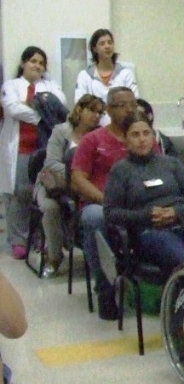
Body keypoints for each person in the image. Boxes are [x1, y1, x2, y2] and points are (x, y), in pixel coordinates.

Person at [71, 87, 156, 319]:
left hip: (140, 203)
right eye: (121, 105)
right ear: (108, 110)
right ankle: (105, 290)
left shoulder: (143, 136)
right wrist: (107, 201)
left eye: (132, 104)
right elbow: (78, 179)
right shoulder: (93, 140)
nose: (129, 109)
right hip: (101, 203)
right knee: (95, 217)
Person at [104, 112, 184, 278]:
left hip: (183, 223)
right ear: (125, 140)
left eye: (146, 133)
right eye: (135, 135)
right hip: (149, 232)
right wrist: (147, 215)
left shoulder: (172, 163)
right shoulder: (120, 170)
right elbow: (111, 213)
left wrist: (177, 212)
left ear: (153, 136)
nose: (142, 139)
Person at [0, 47, 66, 260]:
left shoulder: (51, 86)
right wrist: (41, 115)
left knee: (41, 195)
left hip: (44, 149)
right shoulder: (11, 85)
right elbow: (12, 109)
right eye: (32, 61)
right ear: (23, 63)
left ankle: (39, 237)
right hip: (19, 148)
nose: (37, 66)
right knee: (19, 194)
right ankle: (19, 240)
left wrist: (38, 109)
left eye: (41, 63)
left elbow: (60, 107)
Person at [34, 94, 104, 277]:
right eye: (92, 110)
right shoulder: (61, 131)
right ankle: (54, 257)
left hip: (84, 184)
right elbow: (51, 162)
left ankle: (93, 252)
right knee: (51, 208)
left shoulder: (99, 135)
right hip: (54, 183)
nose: (96, 116)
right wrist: (75, 170)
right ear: (80, 110)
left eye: (100, 112)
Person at [74, 29, 137, 108]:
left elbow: (135, 102)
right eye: (102, 44)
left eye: (110, 43)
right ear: (94, 49)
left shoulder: (126, 74)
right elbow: (80, 105)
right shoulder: (84, 75)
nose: (107, 46)